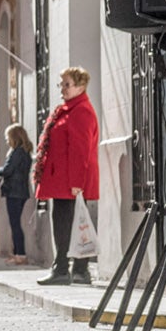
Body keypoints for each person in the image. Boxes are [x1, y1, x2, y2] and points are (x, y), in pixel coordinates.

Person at [33, 67, 101, 286]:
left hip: (70, 182)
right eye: (61, 84)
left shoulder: (81, 111)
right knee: (69, 224)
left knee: (66, 225)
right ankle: (78, 271)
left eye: (67, 84)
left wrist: (76, 183)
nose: (62, 89)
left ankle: (63, 269)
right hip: (63, 180)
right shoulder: (67, 110)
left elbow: (81, 150)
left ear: (80, 86)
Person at [0, 124, 34, 263]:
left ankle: (20, 254)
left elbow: (7, 171)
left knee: (15, 224)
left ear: (14, 137)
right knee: (16, 223)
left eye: (8, 137)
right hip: (21, 191)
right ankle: (18, 254)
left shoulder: (17, 153)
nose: (7, 141)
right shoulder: (25, 152)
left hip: (14, 192)